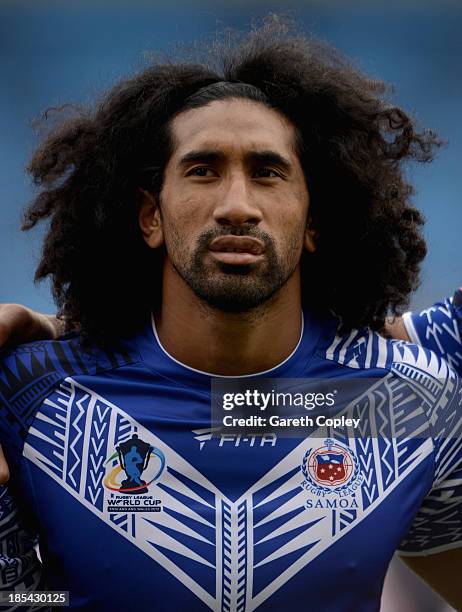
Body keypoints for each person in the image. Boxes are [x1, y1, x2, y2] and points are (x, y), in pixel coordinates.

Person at [0, 18, 461, 611]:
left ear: (315, 219)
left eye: (268, 172)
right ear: (151, 217)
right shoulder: (31, 396)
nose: (237, 206)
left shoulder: (410, 401)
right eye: (203, 170)